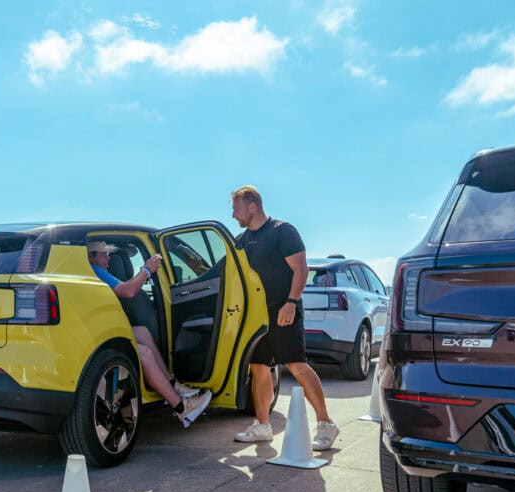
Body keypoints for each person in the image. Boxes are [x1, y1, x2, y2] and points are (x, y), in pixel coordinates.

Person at [229, 185, 339, 450]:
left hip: (283, 310)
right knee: (258, 368)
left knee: (296, 365)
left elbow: (301, 269)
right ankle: (263, 426)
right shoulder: (242, 240)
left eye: (236, 208)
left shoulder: (282, 231)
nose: (233, 214)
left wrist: (291, 302)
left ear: (252, 205)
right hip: (257, 317)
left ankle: (326, 424)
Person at [87, 241, 212, 428]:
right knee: (143, 352)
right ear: (92, 256)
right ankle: (181, 407)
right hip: (96, 336)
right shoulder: (96, 271)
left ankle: (172, 384)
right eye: (104, 254)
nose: (109, 257)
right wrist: (146, 269)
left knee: (142, 332)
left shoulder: (94, 271)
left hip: (100, 331)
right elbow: (128, 291)